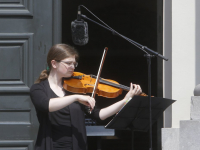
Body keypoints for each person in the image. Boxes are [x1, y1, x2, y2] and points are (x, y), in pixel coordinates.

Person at [30, 44, 142, 150]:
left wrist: (125, 100)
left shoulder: (76, 88)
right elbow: (46, 105)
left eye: (74, 64)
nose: (72, 67)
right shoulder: (38, 89)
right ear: (54, 64)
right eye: (68, 63)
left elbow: (99, 115)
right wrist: (75, 97)